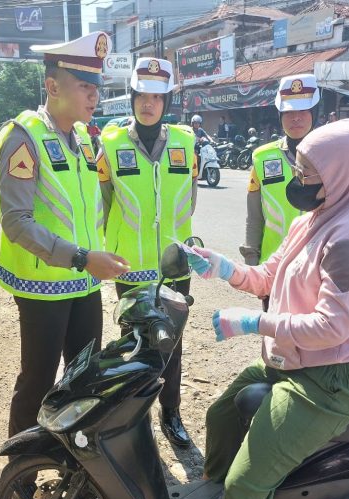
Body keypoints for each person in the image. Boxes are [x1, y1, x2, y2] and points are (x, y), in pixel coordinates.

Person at [188, 119, 349, 499]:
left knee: (247, 485)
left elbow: (332, 327)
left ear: (341, 174)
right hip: (291, 363)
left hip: (327, 380)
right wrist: (222, 267)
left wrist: (254, 322)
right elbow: (269, 276)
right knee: (220, 414)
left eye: (308, 172)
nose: (299, 179)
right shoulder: (312, 220)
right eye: (299, 167)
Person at [0, 31, 130, 438]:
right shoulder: (23, 136)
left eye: (96, 88)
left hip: (84, 281)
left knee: (83, 377)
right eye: (84, 87)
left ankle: (73, 460)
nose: (94, 97)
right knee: (37, 382)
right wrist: (83, 257)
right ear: (53, 86)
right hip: (42, 285)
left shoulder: (85, 140)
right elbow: (16, 221)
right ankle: (20, 473)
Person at [97, 57, 198, 447]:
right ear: (132, 96)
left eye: (157, 97)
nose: (148, 104)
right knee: (136, 345)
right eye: (142, 95)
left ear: (166, 101)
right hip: (130, 267)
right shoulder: (109, 143)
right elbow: (102, 205)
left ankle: (171, 414)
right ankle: (134, 421)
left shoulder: (186, 142)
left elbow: (189, 199)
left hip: (174, 266)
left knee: (172, 345)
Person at [241, 74, 321, 268]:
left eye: (304, 110)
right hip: (273, 270)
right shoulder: (261, 157)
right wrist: (252, 261)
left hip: (316, 270)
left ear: (315, 112)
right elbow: (254, 217)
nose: (296, 117)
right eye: (288, 111)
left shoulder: (334, 155)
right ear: (279, 114)